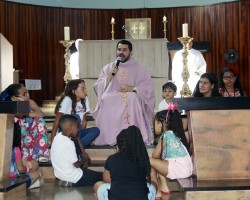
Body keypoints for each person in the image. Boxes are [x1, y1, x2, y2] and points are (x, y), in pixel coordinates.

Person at [93, 39, 155, 145]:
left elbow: (147, 90)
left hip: (132, 96)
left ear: (131, 52)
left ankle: (132, 137)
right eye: (119, 50)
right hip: (113, 96)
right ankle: (109, 137)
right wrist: (109, 76)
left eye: (125, 50)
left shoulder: (139, 69)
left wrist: (132, 88)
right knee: (105, 98)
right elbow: (97, 86)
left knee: (132, 97)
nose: (121, 52)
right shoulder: (109, 67)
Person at [93, 125, 157, 200]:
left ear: (118, 145)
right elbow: (146, 178)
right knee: (153, 183)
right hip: (141, 197)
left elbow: (107, 180)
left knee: (98, 185)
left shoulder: (111, 159)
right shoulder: (143, 158)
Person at [150, 106, 192, 199]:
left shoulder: (167, 134)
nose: (154, 126)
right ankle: (164, 187)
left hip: (179, 168)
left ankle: (157, 192)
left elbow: (155, 155)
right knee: (158, 162)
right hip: (185, 169)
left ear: (163, 124)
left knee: (149, 161)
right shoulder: (175, 134)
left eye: (156, 123)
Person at [0, 83, 49, 162]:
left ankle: (40, 153)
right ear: (14, 98)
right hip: (16, 132)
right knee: (20, 123)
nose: (28, 95)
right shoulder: (7, 105)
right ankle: (23, 155)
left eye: (27, 92)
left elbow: (41, 114)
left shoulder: (30, 102)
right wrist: (22, 105)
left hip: (29, 130)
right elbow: (19, 116)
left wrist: (26, 113)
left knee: (39, 120)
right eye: (24, 94)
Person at [51, 114, 103, 187]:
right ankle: (70, 183)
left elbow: (77, 139)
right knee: (102, 176)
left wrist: (83, 153)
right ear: (69, 127)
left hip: (61, 175)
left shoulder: (58, 137)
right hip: (75, 178)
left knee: (91, 173)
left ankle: (65, 181)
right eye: (77, 127)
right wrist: (85, 159)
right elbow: (77, 165)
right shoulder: (69, 143)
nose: (78, 130)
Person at [51, 79, 100, 148]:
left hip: (77, 132)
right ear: (73, 90)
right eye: (83, 88)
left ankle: (77, 146)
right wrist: (53, 139)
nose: (85, 91)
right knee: (75, 117)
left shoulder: (84, 100)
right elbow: (57, 120)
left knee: (96, 130)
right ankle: (78, 147)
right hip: (66, 132)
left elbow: (84, 122)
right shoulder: (67, 100)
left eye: (85, 88)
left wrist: (82, 135)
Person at [10, 119, 44, 189]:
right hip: (11, 179)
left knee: (31, 163)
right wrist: (28, 168)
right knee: (36, 173)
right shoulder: (16, 149)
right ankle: (26, 186)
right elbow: (21, 169)